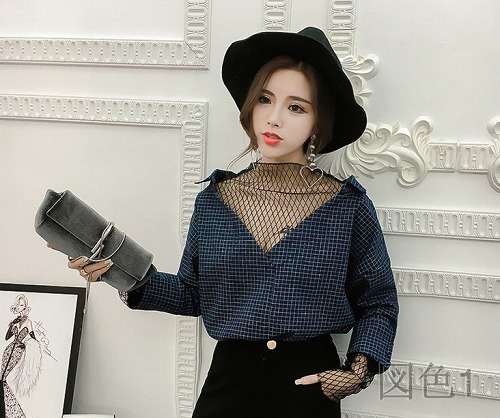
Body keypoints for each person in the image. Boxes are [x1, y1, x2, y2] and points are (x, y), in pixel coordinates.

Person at [56, 27, 399, 417]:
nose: (273, 118)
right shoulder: (215, 201)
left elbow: (379, 302)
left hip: (307, 389)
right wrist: (119, 272)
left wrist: (356, 372)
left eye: (296, 107)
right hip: (228, 386)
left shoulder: (347, 207)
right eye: (265, 99)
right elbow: (191, 294)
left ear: (318, 121)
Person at [1, 295, 42, 418]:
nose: (19, 307)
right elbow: (7, 337)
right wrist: (12, 325)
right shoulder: (15, 321)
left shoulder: (28, 322)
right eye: (18, 304)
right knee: (2, 377)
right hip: (8, 350)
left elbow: (33, 337)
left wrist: (28, 345)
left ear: (25, 307)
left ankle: (10, 409)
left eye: (22, 305)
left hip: (18, 350)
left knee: (3, 378)